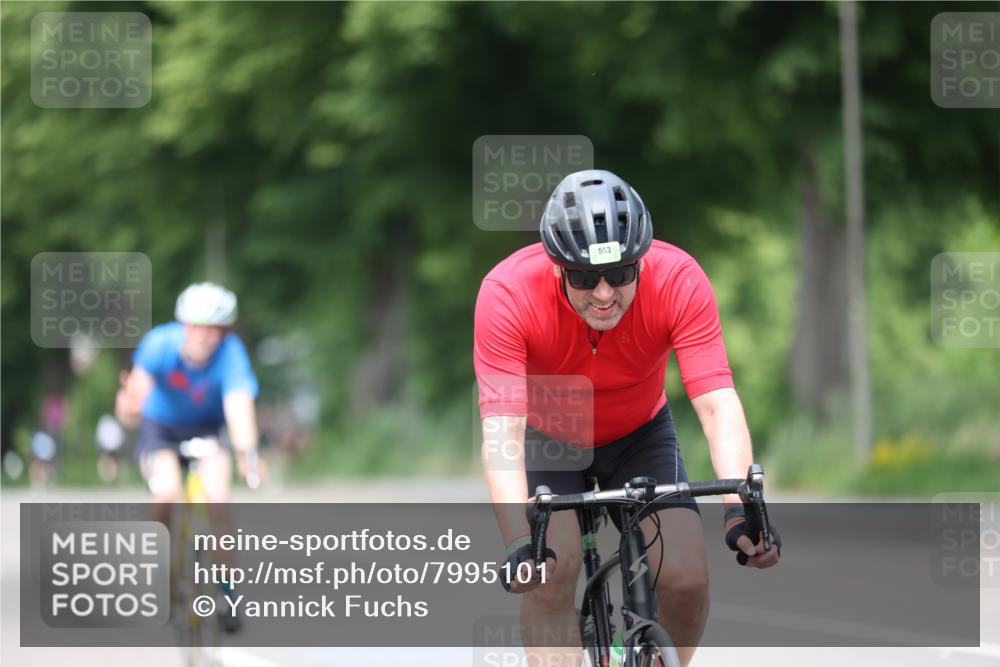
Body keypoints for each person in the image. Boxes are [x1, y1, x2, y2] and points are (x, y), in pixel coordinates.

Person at [474, 170, 780, 667]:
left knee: (685, 577)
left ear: (641, 262)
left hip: (641, 434)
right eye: (582, 278)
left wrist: (738, 507)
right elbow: (502, 431)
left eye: (619, 275)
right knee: (551, 570)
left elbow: (717, 402)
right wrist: (517, 540)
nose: (602, 294)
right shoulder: (507, 293)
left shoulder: (678, 278)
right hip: (549, 441)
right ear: (556, 269)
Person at [115, 281, 266, 632]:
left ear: (224, 331)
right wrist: (128, 409)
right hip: (160, 429)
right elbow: (133, 402)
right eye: (197, 326)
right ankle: (162, 576)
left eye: (214, 329)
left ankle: (226, 592)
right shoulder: (159, 345)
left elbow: (239, 406)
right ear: (184, 325)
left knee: (219, 501)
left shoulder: (232, 355)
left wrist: (248, 455)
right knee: (165, 492)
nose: (204, 336)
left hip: (206, 429)